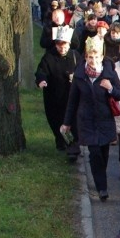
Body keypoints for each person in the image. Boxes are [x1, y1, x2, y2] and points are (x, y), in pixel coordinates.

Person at [61, 36, 120, 201]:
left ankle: (100, 176)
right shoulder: (80, 75)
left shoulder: (109, 73)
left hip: (104, 119)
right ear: (86, 57)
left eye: (96, 57)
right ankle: (102, 188)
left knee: (103, 153)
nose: (93, 60)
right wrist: (66, 123)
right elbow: (72, 100)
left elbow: (119, 94)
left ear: (101, 57)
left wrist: (110, 88)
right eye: (90, 57)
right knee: (94, 152)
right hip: (87, 120)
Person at [35, 25, 78, 154]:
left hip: (71, 95)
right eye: (59, 45)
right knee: (56, 120)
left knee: (73, 120)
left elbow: (82, 71)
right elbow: (41, 71)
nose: (62, 48)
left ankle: (73, 145)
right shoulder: (49, 57)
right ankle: (60, 141)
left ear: (69, 44)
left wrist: (76, 78)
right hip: (54, 96)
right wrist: (41, 80)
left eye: (64, 45)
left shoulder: (75, 56)